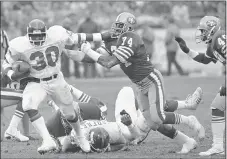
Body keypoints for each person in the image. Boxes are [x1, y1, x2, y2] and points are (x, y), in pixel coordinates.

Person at [80, 12, 205, 142]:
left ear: (128, 28)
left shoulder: (131, 39)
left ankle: (189, 120)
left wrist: (87, 50)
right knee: (153, 123)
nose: (116, 29)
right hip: (138, 84)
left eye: (120, 26)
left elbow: (108, 62)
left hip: (150, 80)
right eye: (116, 26)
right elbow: (99, 56)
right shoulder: (116, 40)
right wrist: (70, 49)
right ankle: (187, 135)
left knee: (158, 116)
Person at [1, 19, 93, 154]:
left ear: (46, 33)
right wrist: (11, 74)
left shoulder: (56, 34)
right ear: (28, 35)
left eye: (40, 35)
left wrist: (100, 37)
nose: (37, 39)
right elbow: (6, 63)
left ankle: (80, 136)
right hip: (37, 81)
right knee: (28, 104)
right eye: (34, 36)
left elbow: (75, 38)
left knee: (70, 114)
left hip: (57, 80)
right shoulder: (19, 44)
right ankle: (47, 140)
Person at [45, 86, 203, 154]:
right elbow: (130, 140)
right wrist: (129, 124)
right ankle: (187, 114)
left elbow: (64, 138)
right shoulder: (104, 139)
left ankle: (187, 140)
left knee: (127, 90)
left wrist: (55, 105)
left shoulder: (78, 130)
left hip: (119, 121)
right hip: (129, 130)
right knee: (150, 117)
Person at [175, 16, 226, 156]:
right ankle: (218, 146)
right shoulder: (213, 43)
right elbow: (205, 59)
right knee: (217, 107)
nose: (202, 34)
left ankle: (218, 146)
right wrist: (187, 50)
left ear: (212, 29)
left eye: (204, 31)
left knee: (218, 106)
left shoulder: (220, 37)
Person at [1, 29, 30, 142]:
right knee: (25, 97)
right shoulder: (7, 66)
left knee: (25, 98)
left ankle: (23, 131)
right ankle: (12, 129)